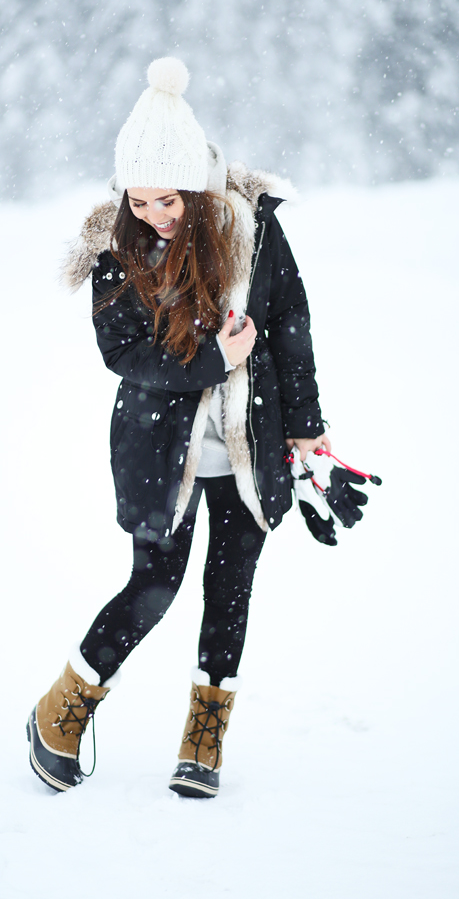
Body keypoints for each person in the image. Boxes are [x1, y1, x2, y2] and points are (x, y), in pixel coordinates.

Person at [26, 56, 330, 798]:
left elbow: (290, 326)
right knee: (153, 586)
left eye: (169, 199)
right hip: (163, 451)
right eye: (140, 200)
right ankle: (61, 709)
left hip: (250, 447)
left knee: (229, 592)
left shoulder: (253, 232)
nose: (156, 214)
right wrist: (209, 361)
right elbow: (122, 354)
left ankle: (205, 741)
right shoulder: (116, 252)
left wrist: (307, 428)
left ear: (197, 185)